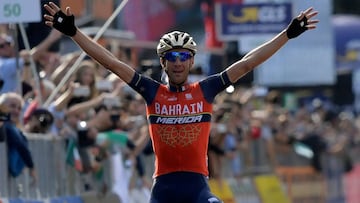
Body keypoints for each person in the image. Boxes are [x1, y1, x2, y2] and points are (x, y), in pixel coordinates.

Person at [43, 2, 319, 202]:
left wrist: (288, 33)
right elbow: (112, 63)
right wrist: (74, 34)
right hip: (163, 189)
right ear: (163, 62)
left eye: (183, 57)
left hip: (197, 186)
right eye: (172, 57)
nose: (178, 63)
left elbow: (247, 64)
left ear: (192, 61)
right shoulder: (152, 92)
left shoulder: (206, 90)